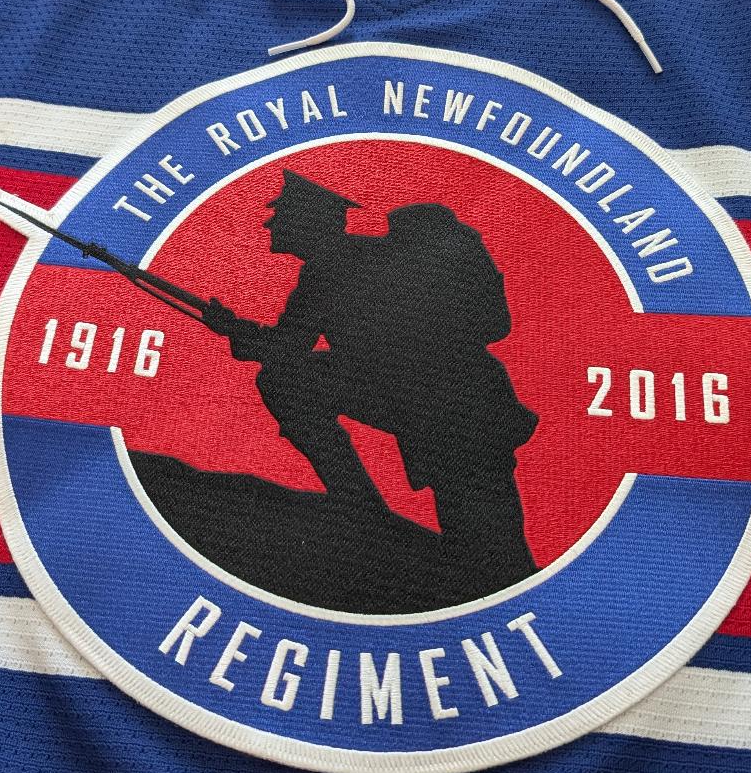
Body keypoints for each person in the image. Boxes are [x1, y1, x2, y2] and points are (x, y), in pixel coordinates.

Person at [204, 171, 539, 595]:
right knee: (477, 533)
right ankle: (359, 505)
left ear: (308, 220)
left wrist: (234, 331)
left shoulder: (343, 267)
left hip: (455, 404)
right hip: (435, 399)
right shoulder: (332, 268)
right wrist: (236, 329)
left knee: (486, 542)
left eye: (281, 214)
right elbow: (289, 348)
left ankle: (363, 508)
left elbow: (288, 348)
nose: (272, 224)